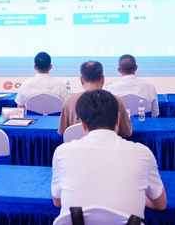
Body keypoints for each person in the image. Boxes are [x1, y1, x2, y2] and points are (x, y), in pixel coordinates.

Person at [51, 89, 166, 217]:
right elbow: (160, 204)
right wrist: (139, 195)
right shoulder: (143, 153)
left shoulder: (62, 152)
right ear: (118, 120)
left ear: (82, 124)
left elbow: (57, 201)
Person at [58, 61, 132, 137]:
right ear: (103, 79)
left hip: (77, 143)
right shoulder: (116, 101)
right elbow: (126, 132)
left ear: (81, 80)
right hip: (109, 144)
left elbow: (62, 131)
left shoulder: (69, 101)